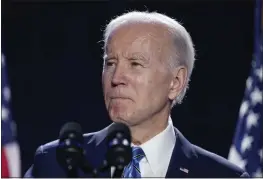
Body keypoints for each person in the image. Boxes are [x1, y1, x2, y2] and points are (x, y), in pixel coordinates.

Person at [24, 11, 249, 178]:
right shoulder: (54, 163)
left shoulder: (221, 176)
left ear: (176, 82)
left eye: (135, 64)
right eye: (110, 63)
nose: (116, 77)